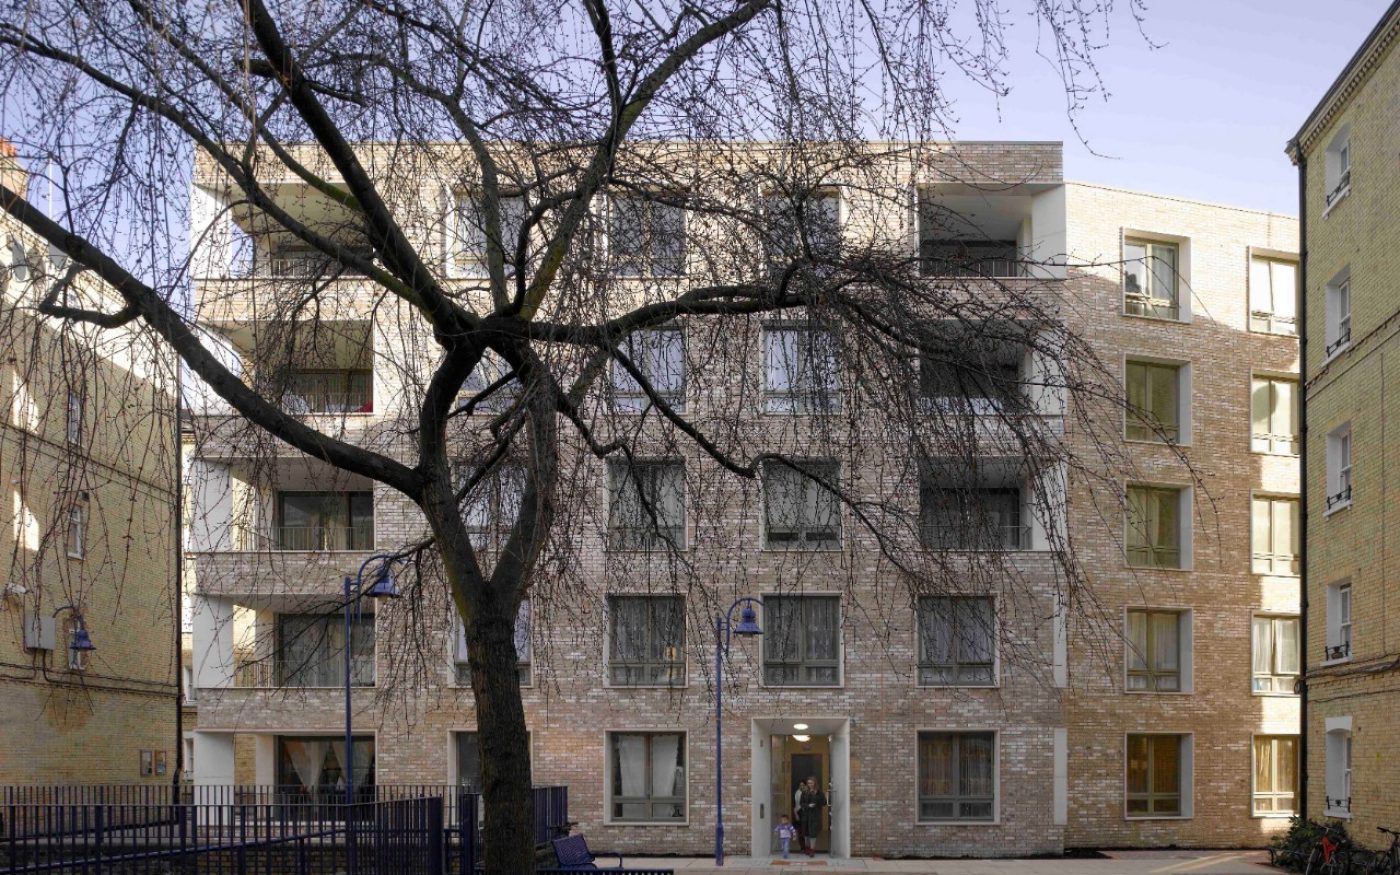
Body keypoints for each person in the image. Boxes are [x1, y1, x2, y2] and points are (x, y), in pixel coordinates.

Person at [796, 776, 827, 857]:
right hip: (805, 815)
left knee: (812, 833)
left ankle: (812, 850)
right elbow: (801, 803)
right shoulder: (804, 792)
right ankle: (807, 848)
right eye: (809, 783)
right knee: (806, 833)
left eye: (811, 783)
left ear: (815, 783)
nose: (810, 784)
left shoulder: (819, 792)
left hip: (815, 816)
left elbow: (824, 803)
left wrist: (816, 795)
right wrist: (808, 805)